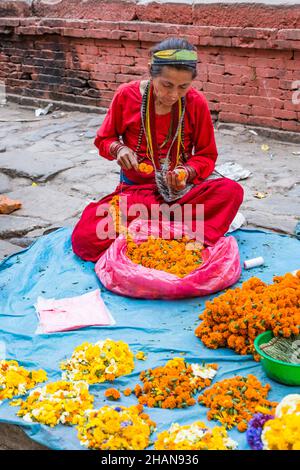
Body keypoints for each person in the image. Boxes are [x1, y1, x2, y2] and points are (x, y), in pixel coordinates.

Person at [71, 37, 244, 262]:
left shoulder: (196, 102)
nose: (173, 95)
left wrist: (186, 173)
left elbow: (206, 155)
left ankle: (155, 230)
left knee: (230, 192)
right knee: (86, 237)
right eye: (166, 85)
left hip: (181, 194)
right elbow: (104, 138)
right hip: (138, 194)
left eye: (183, 87)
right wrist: (119, 149)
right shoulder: (127, 95)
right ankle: (176, 230)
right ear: (151, 73)